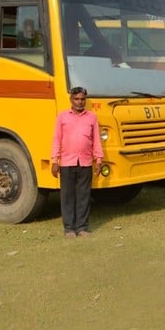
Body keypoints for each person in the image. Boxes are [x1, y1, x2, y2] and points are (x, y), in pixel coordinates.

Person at [51, 87, 103, 238]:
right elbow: (57, 139)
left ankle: (82, 227)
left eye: (82, 99)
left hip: (85, 162)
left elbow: (96, 140)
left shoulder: (92, 117)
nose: (80, 102)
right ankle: (69, 229)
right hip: (67, 162)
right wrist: (55, 160)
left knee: (83, 196)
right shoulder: (62, 117)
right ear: (71, 100)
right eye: (77, 99)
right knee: (67, 197)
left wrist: (98, 159)